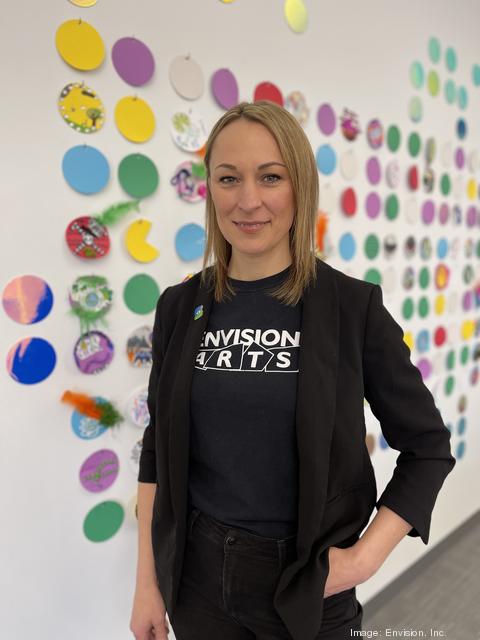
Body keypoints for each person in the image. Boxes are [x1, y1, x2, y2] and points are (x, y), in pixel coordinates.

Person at [129, 101, 456, 640]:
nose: (248, 200)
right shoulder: (178, 306)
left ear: (299, 185)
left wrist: (362, 561)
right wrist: (148, 582)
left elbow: (427, 446)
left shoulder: (352, 308)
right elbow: (157, 449)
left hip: (304, 587)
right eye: (228, 178)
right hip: (195, 580)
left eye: (270, 177)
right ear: (209, 189)